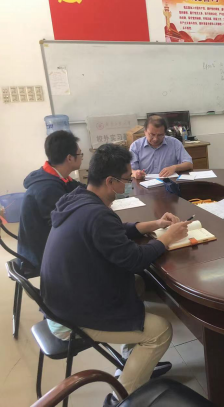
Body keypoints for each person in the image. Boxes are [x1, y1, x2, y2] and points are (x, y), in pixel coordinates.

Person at [40, 144, 191, 404]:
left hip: (61, 300)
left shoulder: (79, 197)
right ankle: (120, 398)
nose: (129, 184)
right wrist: (166, 238)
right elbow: (134, 260)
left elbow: (114, 231)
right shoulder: (97, 214)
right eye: (126, 179)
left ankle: (132, 360)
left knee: (136, 285)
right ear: (110, 181)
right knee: (160, 331)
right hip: (69, 316)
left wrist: (156, 224)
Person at [17, 131, 84, 274]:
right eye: (80, 154)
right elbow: (63, 228)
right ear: (70, 158)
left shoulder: (55, 176)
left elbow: (81, 190)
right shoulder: (47, 188)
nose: (82, 157)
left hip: (47, 245)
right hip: (41, 257)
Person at [130, 115, 193, 179]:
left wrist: (174, 167)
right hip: (144, 182)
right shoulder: (136, 146)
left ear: (165, 133)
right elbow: (130, 170)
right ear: (145, 132)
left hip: (168, 182)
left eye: (160, 135)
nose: (155, 139)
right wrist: (135, 173)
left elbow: (189, 164)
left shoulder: (175, 143)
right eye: (152, 134)